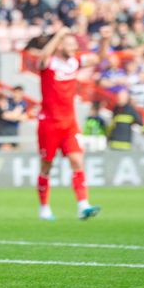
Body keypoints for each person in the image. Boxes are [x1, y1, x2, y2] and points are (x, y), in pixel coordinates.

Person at [36, 27, 101, 221]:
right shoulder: (49, 64)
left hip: (69, 123)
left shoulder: (74, 62)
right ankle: (44, 208)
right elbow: (42, 57)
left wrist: (105, 40)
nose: (74, 48)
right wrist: (58, 35)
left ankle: (83, 205)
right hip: (49, 123)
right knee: (46, 166)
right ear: (60, 45)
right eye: (70, 44)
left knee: (77, 161)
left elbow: (97, 59)